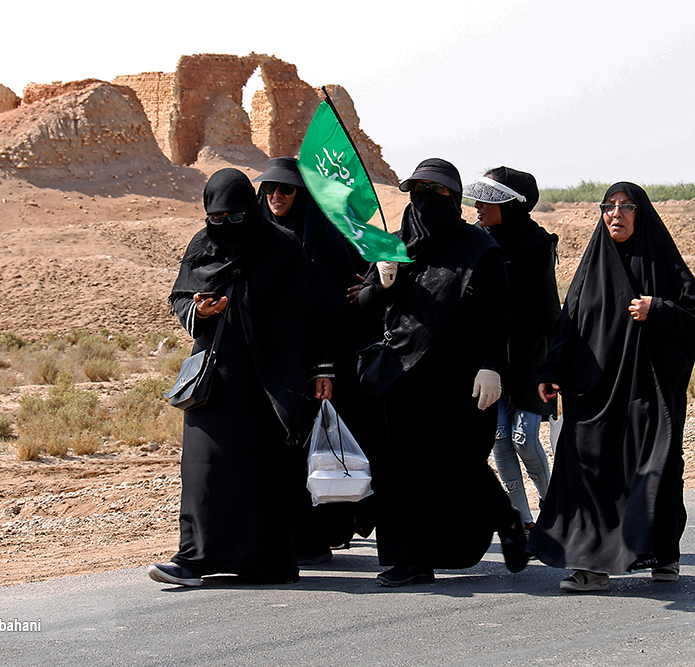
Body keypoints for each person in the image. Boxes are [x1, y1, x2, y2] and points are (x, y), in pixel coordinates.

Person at [148, 168, 333, 588]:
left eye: (236, 217)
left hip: (273, 376)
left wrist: (322, 370)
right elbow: (180, 295)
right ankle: (194, 560)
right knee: (204, 467)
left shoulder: (281, 247)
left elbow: (311, 311)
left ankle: (268, 564)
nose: (227, 226)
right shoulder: (202, 244)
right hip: (218, 374)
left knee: (267, 470)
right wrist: (200, 312)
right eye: (218, 219)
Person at [354, 158, 528, 587]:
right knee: (399, 468)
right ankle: (409, 560)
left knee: (457, 460)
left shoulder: (478, 249)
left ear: (453, 199)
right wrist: (382, 283)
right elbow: (362, 307)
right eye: (417, 192)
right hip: (401, 373)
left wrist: (492, 366)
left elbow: (499, 313)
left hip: (458, 377)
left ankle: (504, 519)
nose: (425, 201)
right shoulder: (394, 246)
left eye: (437, 193)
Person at [529, 182, 695, 593]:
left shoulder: (661, 261)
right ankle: (592, 567)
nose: (616, 214)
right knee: (587, 470)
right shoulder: (592, 267)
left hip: (648, 391)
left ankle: (664, 554)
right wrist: (549, 370)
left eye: (626, 207)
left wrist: (657, 309)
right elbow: (568, 325)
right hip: (593, 392)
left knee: (655, 470)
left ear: (640, 213)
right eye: (608, 207)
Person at [254, 156, 376, 565]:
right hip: (266, 365)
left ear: (301, 194)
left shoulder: (321, 238)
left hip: (316, 366)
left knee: (309, 449)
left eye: (285, 189)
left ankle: (316, 535)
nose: (275, 196)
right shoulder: (255, 235)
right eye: (269, 189)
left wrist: (323, 366)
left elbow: (333, 304)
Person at [463, 167, 560, 536]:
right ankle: (522, 520)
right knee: (501, 439)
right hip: (489, 361)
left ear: (511, 204)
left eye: (489, 198)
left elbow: (550, 310)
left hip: (531, 360)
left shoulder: (538, 246)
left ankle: (554, 509)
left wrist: (559, 363)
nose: (478, 206)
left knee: (524, 438)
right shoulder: (475, 242)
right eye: (478, 197)